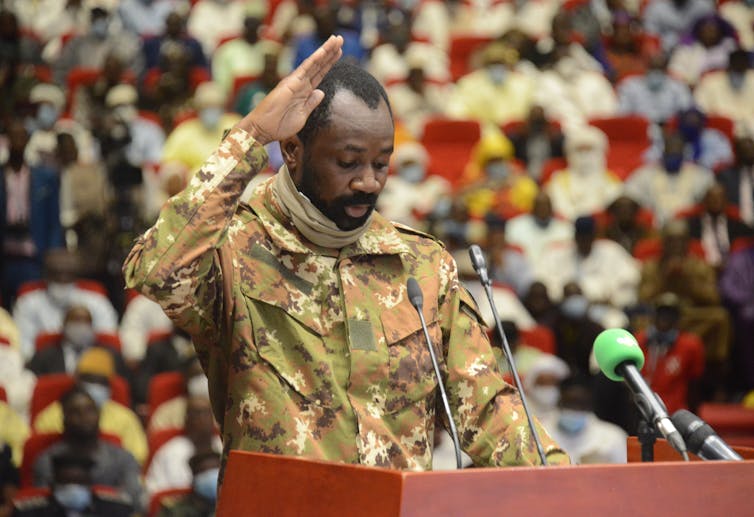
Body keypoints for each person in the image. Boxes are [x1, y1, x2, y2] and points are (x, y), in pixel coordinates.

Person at [123, 35, 568, 472]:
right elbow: (158, 272)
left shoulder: (421, 265)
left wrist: (574, 485)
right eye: (348, 162)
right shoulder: (234, 246)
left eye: (380, 163)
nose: (369, 182)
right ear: (293, 151)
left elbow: (486, 409)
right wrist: (251, 136)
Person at [32, 386, 144, 511]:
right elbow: (43, 508)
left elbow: (134, 502)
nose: (84, 417)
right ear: (64, 419)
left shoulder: (123, 458)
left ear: (99, 416)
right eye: (75, 412)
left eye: (90, 410)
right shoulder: (48, 460)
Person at [32, 347, 147, 466]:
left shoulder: (125, 418)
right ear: (77, 381)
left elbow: (137, 460)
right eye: (90, 380)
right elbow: (40, 457)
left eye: (101, 382)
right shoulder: (51, 416)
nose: (96, 387)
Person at [12, 249, 118, 360]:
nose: (62, 279)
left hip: (90, 365)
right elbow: (23, 346)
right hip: (43, 367)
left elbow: (108, 341)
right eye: (56, 274)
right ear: (46, 275)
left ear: (77, 276)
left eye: (68, 274)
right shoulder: (28, 303)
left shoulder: (97, 302)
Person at [1, 121, 62, 309]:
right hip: (5, 254)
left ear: (28, 140)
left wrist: (53, 255)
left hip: (33, 255)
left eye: (21, 136)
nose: (17, 141)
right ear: (6, 140)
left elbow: (54, 220)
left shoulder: (44, 177)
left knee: (31, 305)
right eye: (13, 136)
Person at [626, 131, 714, 226]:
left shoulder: (700, 175)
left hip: (690, 226)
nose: (673, 156)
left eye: (677, 154)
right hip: (654, 226)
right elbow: (629, 196)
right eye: (670, 153)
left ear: (683, 155)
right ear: (663, 153)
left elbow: (710, 199)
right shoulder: (645, 174)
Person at [636, 293, 705, 414]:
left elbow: (694, 386)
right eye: (661, 313)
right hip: (642, 410)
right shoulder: (639, 341)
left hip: (675, 412)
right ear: (654, 316)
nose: (665, 318)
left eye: (670, 314)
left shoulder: (691, 345)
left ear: (678, 318)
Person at [145, 395, 222, 497]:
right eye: (196, 414)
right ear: (186, 421)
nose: (202, 419)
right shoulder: (169, 452)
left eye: (206, 413)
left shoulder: (226, 448)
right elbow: (154, 494)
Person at [13, 453, 134, 516]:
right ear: (52, 485)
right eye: (66, 483)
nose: (73, 488)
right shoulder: (29, 512)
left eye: (79, 483)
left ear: (90, 484)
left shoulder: (116, 510)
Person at [545, 376, 628, 464]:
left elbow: (627, 475)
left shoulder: (614, 437)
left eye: (581, 404)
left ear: (590, 404)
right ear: (559, 401)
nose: (575, 410)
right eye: (570, 403)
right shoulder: (538, 435)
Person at [545, 126, 621, 220]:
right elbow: (559, 208)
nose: (585, 156)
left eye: (589, 150)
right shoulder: (558, 181)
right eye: (580, 150)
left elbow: (613, 208)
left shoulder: (611, 181)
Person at [694, 48, 754, 131]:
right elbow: (700, 109)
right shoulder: (710, 81)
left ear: (747, 66)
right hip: (720, 127)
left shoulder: (752, 79)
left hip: (750, 126)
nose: (739, 67)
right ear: (729, 65)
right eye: (736, 66)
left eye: (742, 66)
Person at [155, 451, 220, 517]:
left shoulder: (228, 505)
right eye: (204, 471)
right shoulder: (173, 511)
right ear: (194, 477)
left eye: (215, 469)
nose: (211, 476)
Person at [718, 131, 754, 226]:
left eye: (751, 149)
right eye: (744, 150)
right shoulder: (725, 176)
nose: (748, 153)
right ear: (737, 153)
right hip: (735, 227)